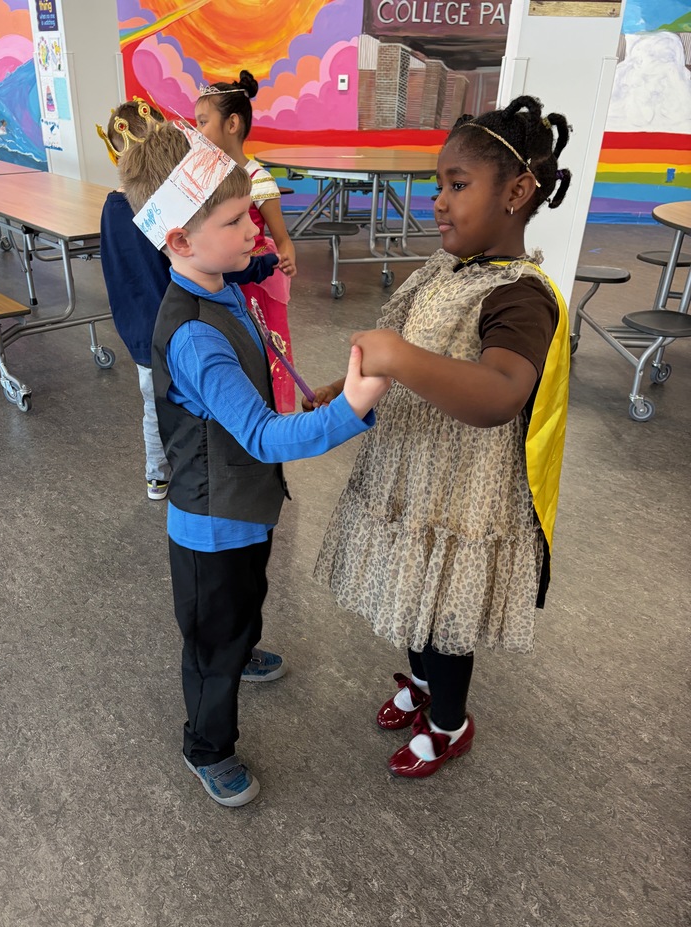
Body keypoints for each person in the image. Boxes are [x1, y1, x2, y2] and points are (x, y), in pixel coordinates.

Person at [118, 119, 389, 807]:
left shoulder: (217, 281)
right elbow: (265, 437)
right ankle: (206, 746)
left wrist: (258, 263)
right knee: (213, 638)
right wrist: (353, 405)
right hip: (212, 523)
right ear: (179, 241)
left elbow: (245, 270)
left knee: (247, 597)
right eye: (239, 222)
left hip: (242, 509)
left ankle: (242, 645)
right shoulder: (194, 340)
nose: (256, 232)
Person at [311, 95, 573, 780]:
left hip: (461, 498)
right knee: (413, 598)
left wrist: (399, 358)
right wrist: (332, 391)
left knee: (442, 617)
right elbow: (390, 345)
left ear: (517, 193)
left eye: (458, 185)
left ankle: (450, 723)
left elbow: (500, 392)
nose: (438, 200)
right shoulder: (442, 269)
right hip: (410, 479)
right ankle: (425, 688)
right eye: (438, 184)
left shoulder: (521, 296)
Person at [97, 99, 280, 501]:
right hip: (175, 329)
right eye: (235, 220)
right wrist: (264, 266)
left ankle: (157, 475)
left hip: (139, 334)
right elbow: (213, 264)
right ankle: (190, 476)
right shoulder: (167, 213)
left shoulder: (111, 210)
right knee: (196, 408)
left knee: (156, 407)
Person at [194, 70, 298, 413]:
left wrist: (286, 257)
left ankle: (264, 411)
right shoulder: (205, 176)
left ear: (232, 124)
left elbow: (282, 240)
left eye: (203, 121)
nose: (197, 130)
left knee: (260, 348)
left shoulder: (258, 179)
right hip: (219, 276)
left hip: (254, 281)